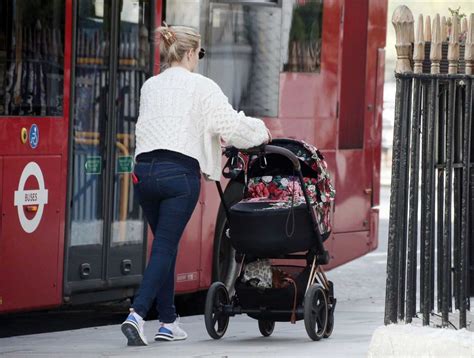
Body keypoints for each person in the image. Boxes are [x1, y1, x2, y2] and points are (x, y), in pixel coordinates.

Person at [120, 23, 271, 346]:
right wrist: (261, 132)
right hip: (179, 176)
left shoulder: (150, 86)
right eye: (199, 54)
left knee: (164, 244)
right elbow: (230, 125)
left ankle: (168, 321)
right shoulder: (202, 87)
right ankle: (136, 314)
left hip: (144, 173)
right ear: (190, 53)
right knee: (164, 245)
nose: (198, 60)